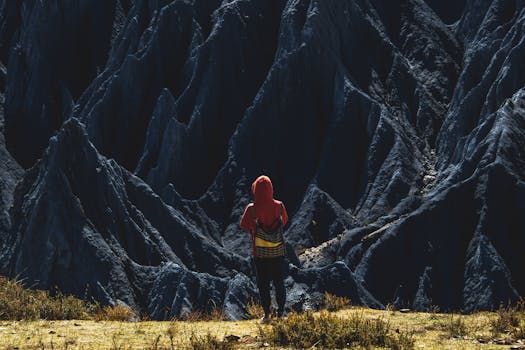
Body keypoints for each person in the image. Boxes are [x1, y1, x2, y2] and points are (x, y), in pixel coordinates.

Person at [240, 175, 289, 323]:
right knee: (279, 282)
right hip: (278, 252)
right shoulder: (279, 206)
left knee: (263, 285)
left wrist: (256, 228)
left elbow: (243, 225)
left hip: (260, 254)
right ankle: (281, 313)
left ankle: (267, 315)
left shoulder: (252, 209)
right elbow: (284, 222)